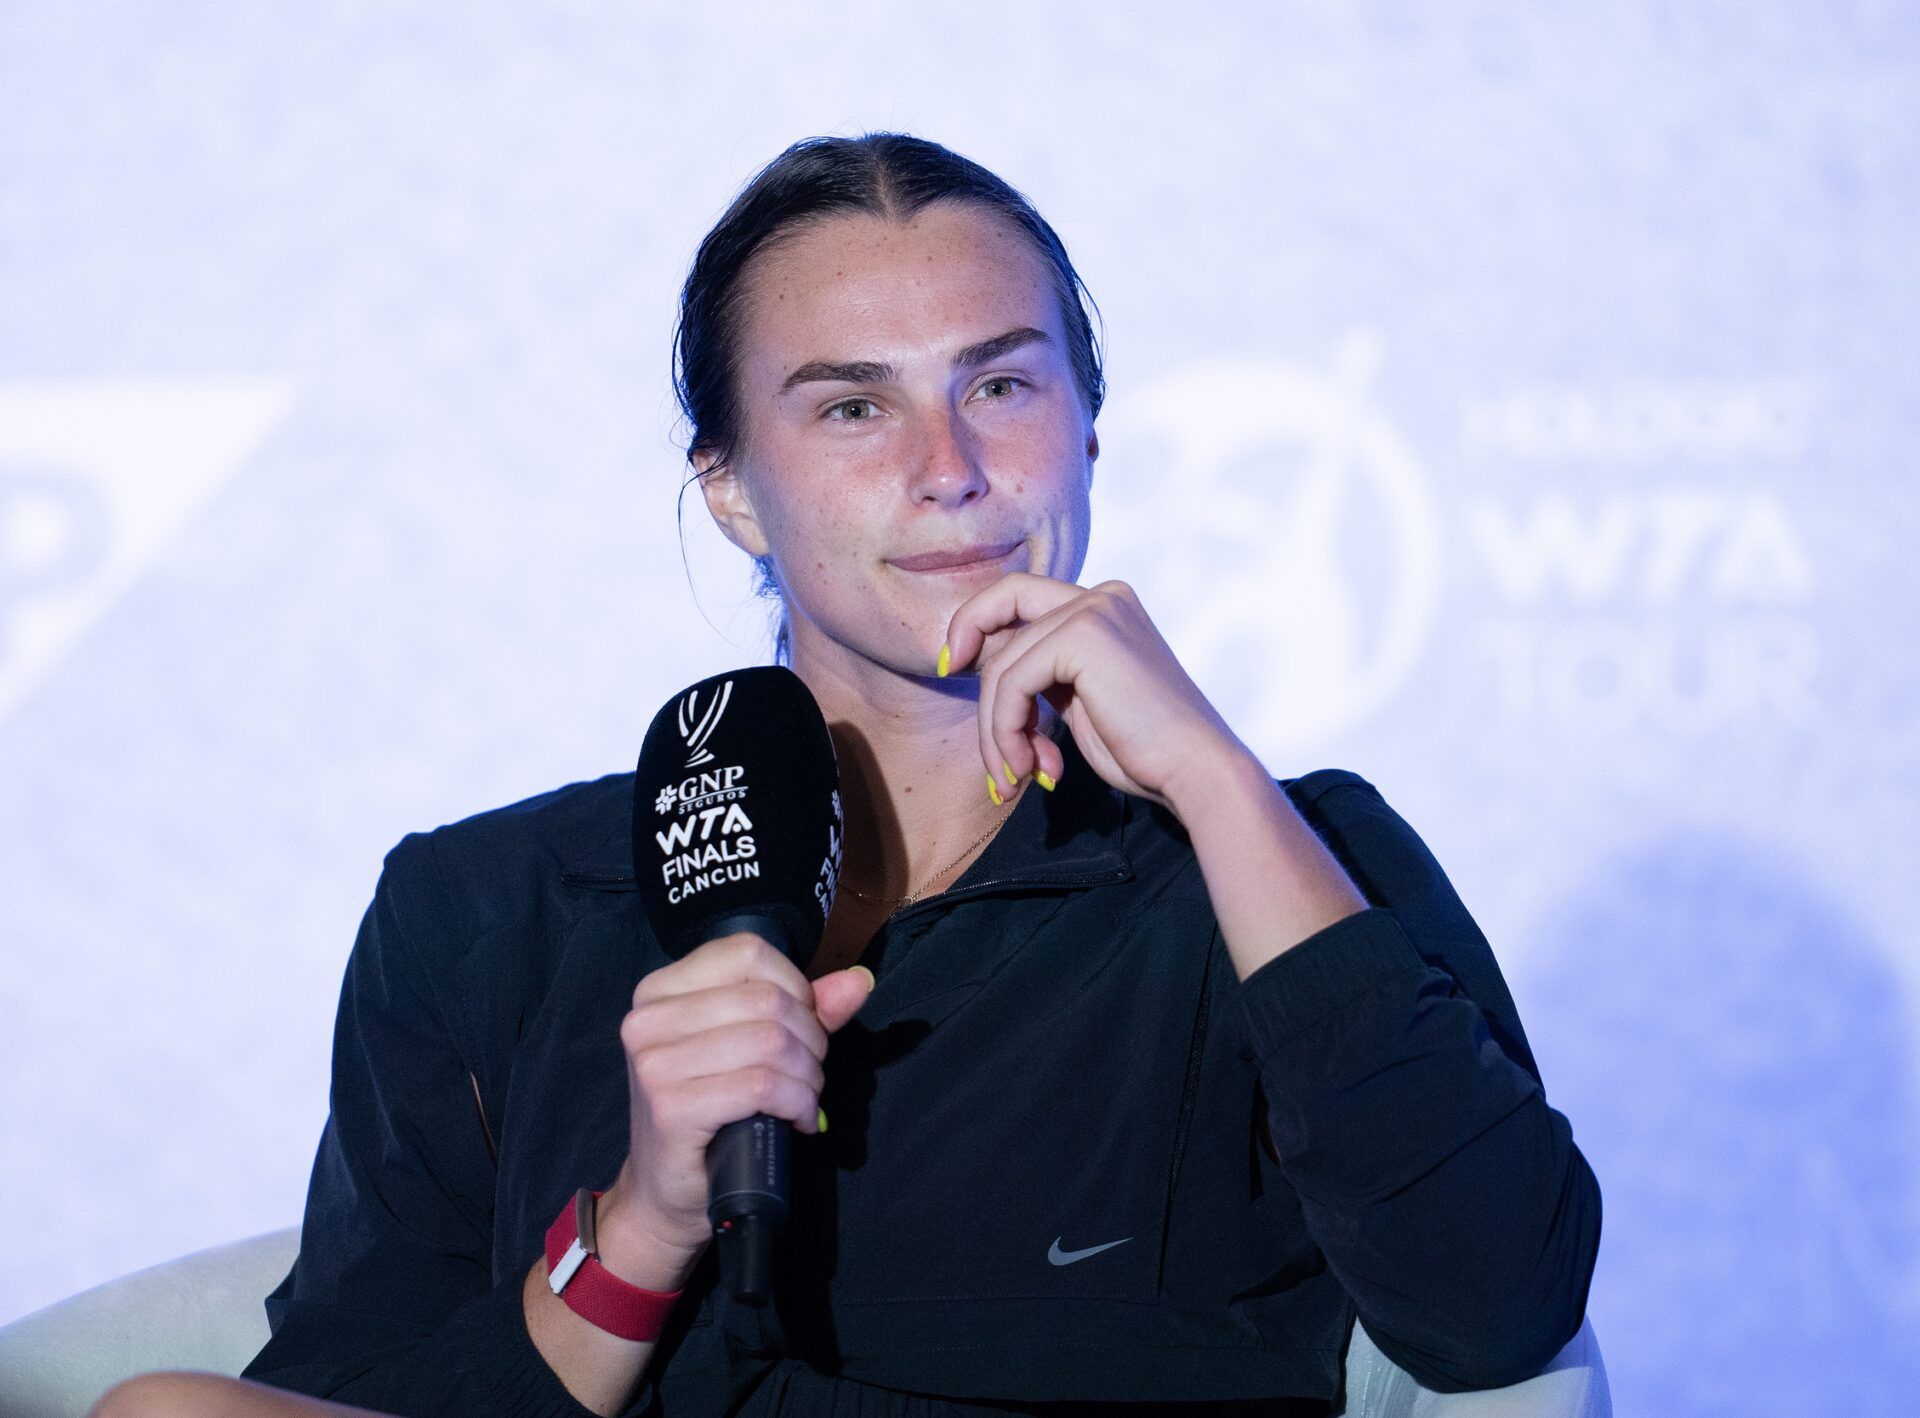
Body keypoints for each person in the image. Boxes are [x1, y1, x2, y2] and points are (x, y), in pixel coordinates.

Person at [92, 132, 1601, 1418]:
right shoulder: (488, 910)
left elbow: (1496, 1313)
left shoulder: (1282, 858)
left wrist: (1210, 775)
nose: (948, 465)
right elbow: (352, 1392)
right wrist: (639, 1224)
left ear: (1087, 430)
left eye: (1002, 386)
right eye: (854, 406)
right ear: (734, 492)